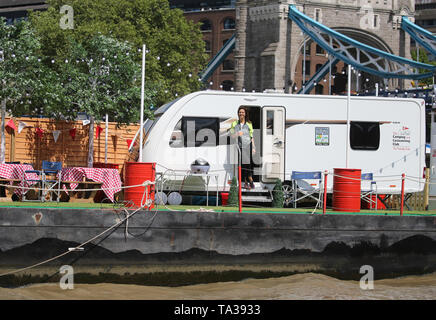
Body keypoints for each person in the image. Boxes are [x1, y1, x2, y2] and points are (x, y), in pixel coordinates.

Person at [229, 106, 256, 190]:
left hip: (248, 145)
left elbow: (251, 136)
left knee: (248, 164)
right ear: (238, 113)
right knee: (243, 164)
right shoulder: (234, 124)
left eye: (242, 112)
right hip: (240, 146)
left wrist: (254, 147)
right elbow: (232, 136)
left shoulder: (249, 124)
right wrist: (237, 134)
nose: (241, 113)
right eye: (240, 112)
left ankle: (248, 181)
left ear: (245, 114)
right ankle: (247, 182)